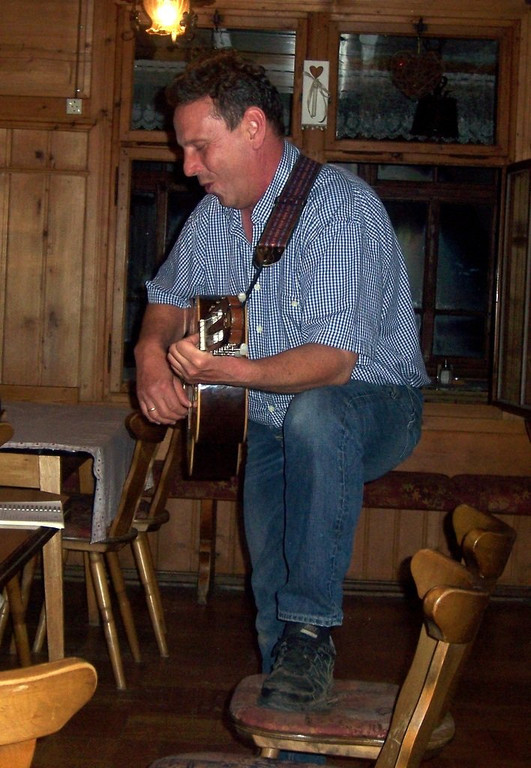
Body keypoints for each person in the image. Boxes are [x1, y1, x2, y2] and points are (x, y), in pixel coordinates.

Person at [134, 49, 430, 713]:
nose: (187, 167)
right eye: (183, 150)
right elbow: (166, 296)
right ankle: (291, 737)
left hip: (374, 406)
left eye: (199, 147)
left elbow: (334, 363)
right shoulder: (211, 216)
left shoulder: (340, 207)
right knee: (270, 589)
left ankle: (313, 628)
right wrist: (150, 356)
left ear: (252, 127)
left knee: (317, 412)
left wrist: (226, 371)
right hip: (269, 420)